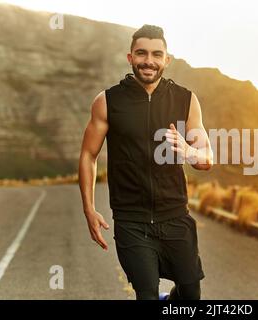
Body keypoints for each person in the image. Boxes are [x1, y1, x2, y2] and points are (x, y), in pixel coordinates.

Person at [78, 24, 213, 300]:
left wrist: (189, 151)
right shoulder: (107, 101)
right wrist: (89, 209)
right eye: (141, 53)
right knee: (147, 295)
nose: (148, 61)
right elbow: (88, 155)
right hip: (131, 220)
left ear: (166, 59)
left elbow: (207, 158)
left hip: (175, 214)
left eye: (156, 54)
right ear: (130, 58)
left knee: (190, 293)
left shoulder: (186, 100)